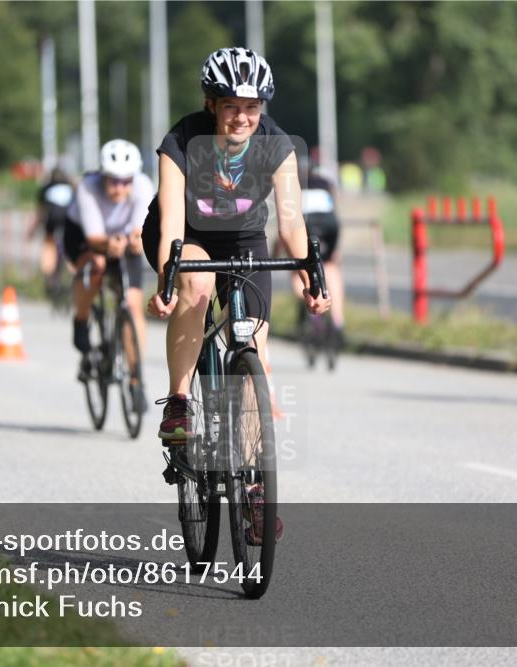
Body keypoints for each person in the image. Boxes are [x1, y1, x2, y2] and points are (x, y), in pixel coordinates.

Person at [142, 47, 331, 541]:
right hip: (187, 234)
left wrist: (309, 274)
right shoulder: (181, 140)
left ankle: (252, 489)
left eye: (252, 106)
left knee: (256, 357)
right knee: (198, 285)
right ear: (211, 104)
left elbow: (290, 219)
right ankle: (180, 401)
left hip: (246, 238)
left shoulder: (277, 143)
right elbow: (169, 225)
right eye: (231, 106)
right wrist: (167, 277)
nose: (242, 116)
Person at [65, 140, 153, 407]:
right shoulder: (88, 188)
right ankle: (81, 320)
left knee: (133, 305)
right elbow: (93, 237)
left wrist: (138, 240)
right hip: (84, 235)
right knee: (97, 266)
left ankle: (136, 379)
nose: (119, 188)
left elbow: (139, 229)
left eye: (125, 181)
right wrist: (108, 246)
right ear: (102, 177)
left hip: (123, 239)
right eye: (113, 181)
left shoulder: (144, 186)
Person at [290, 166, 345, 343]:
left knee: (298, 264)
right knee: (329, 265)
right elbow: (334, 209)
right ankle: (337, 320)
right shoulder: (326, 184)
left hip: (306, 222)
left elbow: (289, 224)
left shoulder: (294, 184)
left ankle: (310, 309)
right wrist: (335, 249)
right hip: (330, 224)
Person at [27, 168, 74, 296]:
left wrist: (32, 230)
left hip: (52, 221)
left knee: (49, 245)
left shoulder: (46, 188)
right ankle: (74, 274)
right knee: (71, 246)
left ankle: (48, 275)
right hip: (68, 221)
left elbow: (41, 212)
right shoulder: (71, 187)